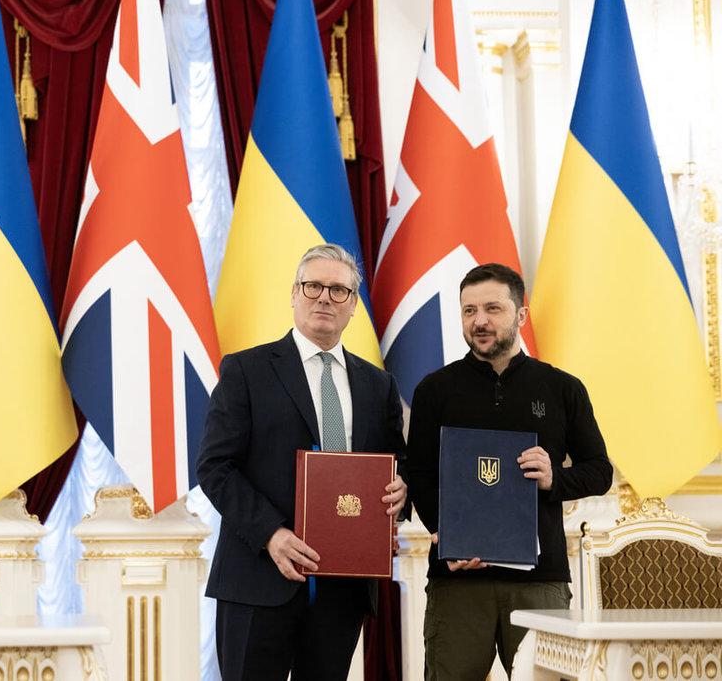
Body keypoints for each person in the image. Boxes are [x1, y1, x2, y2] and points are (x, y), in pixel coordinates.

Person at [197, 243, 408, 681]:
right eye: (313, 286)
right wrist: (271, 534)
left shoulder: (378, 385)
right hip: (258, 578)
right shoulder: (246, 371)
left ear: (353, 305)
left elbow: (395, 464)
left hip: (343, 590)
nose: (324, 298)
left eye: (338, 290)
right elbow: (215, 468)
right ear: (294, 293)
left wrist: (402, 489)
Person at [407, 262, 613, 679]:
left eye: (492, 309)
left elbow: (599, 471)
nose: (479, 321)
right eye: (469, 310)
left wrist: (555, 477)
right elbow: (420, 475)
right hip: (458, 581)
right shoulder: (434, 390)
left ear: (521, 314)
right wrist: (446, 537)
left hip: (540, 581)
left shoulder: (562, 388)